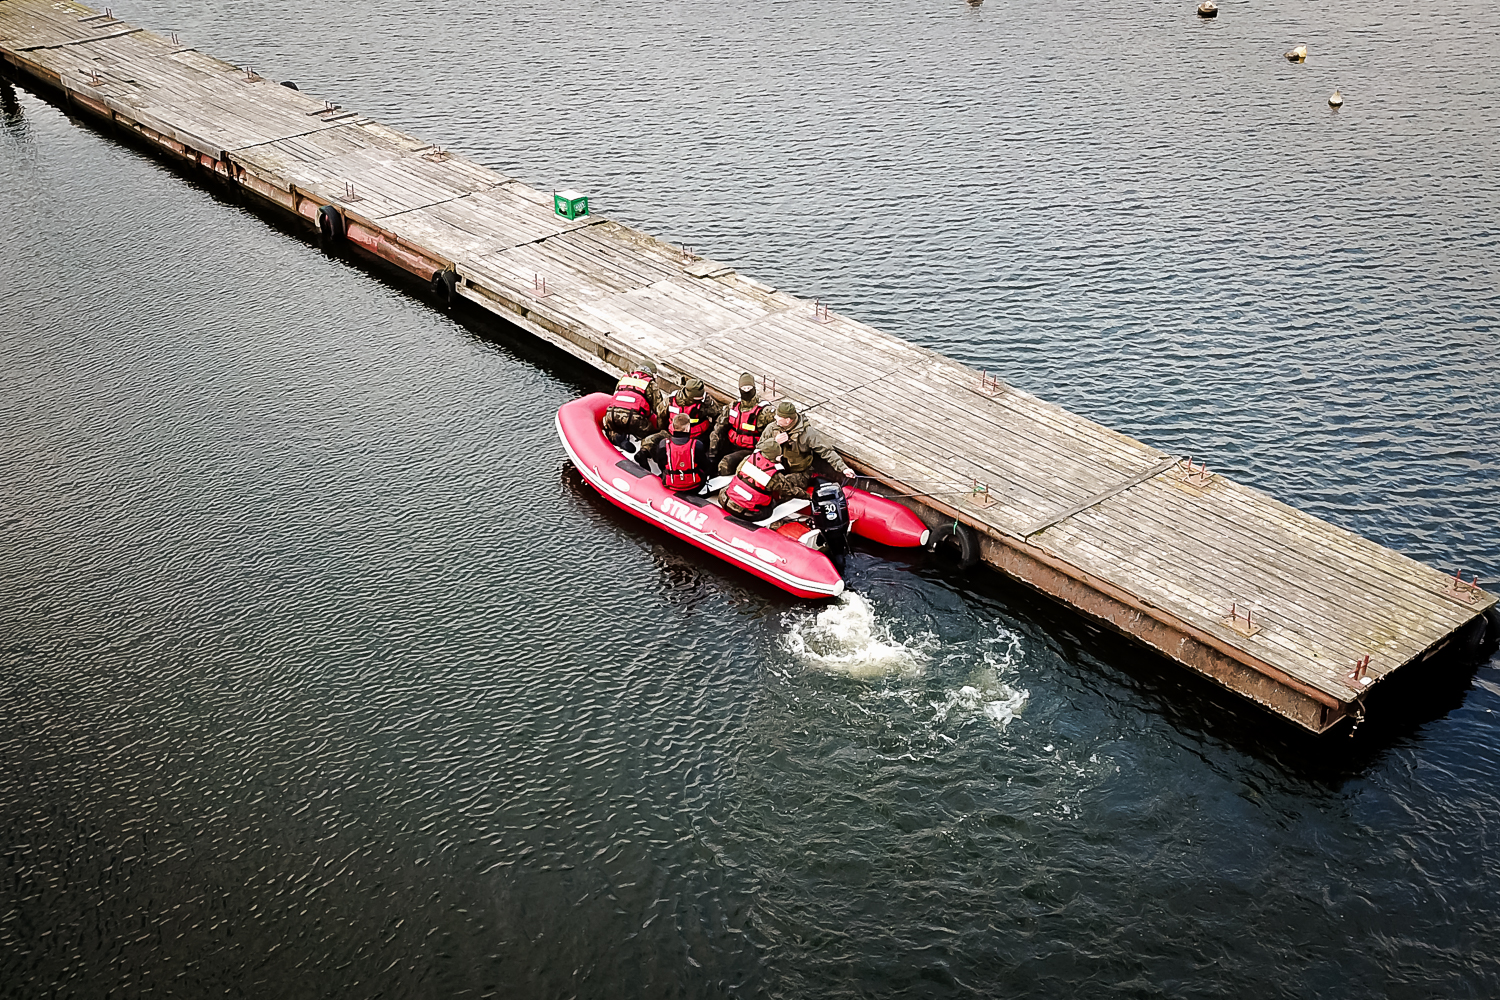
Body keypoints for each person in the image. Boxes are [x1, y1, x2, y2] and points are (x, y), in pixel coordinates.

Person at [759, 400, 856, 497]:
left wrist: (843, 468)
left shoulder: (807, 433)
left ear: (788, 420)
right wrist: (774, 442)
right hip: (775, 469)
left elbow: (826, 451)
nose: (775, 417)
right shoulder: (772, 428)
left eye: (779, 417)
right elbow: (759, 447)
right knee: (765, 482)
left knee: (784, 486)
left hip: (800, 472)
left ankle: (805, 499)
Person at [636, 377, 720, 465]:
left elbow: (717, 413)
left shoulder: (704, 404)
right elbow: (661, 414)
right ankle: (644, 456)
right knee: (649, 441)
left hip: (696, 436)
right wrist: (663, 429)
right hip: (673, 434)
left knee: (703, 449)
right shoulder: (671, 400)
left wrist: (709, 404)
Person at [711, 371, 771, 475]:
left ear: (754, 388)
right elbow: (720, 426)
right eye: (744, 389)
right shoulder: (733, 406)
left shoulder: (764, 411)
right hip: (731, 444)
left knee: (727, 462)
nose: (746, 391)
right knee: (710, 456)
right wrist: (713, 448)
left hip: (750, 450)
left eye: (749, 388)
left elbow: (771, 433)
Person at [720, 440, 798, 521]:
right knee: (771, 504)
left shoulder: (748, 459)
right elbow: (789, 491)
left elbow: (738, 472)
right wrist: (806, 495)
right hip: (746, 513)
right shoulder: (775, 475)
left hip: (726, 502)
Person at [641, 413, 711, 493]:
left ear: (673, 427)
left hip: (671, 484)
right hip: (694, 486)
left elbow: (661, 464)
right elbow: (705, 465)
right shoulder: (697, 444)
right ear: (688, 428)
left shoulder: (663, 444)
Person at [601, 360, 663, 446]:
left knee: (610, 427)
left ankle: (616, 438)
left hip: (612, 415)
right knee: (653, 433)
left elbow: (615, 395)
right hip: (633, 419)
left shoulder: (624, 378)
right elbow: (659, 408)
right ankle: (644, 448)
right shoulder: (651, 384)